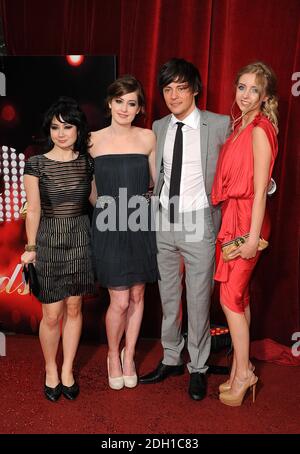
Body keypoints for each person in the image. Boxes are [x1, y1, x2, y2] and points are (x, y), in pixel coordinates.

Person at [139, 58, 231, 401]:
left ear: (195, 89)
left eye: (181, 87)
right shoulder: (159, 126)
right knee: (169, 298)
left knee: (197, 299)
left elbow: (241, 162)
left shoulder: (219, 125)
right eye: (167, 89)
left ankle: (199, 367)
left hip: (197, 220)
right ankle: (172, 358)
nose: (174, 95)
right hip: (165, 220)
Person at [211, 62, 278, 406]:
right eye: (242, 87)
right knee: (240, 298)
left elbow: (261, 188)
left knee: (229, 299)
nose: (246, 95)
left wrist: (252, 238)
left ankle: (244, 374)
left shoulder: (259, 130)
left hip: (248, 221)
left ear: (265, 96)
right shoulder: (240, 126)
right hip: (233, 217)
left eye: (254, 89)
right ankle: (240, 367)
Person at [21, 97, 95, 402]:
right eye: (55, 127)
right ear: (48, 130)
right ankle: (51, 369)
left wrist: (134, 210)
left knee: (75, 309)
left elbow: (97, 201)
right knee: (51, 314)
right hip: (49, 240)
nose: (61, 133)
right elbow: (34, 210)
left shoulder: (87, 162)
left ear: (78, 129)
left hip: (80, 238)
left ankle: (67, 369)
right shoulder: (35, 165)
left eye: (68, 126)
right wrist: (31, 247)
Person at [90, 75, 159, 390]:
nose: (125, 108)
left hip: (140, 224)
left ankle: (130, 355)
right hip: (109, 225)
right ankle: (113, 355)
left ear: (139, 108)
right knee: (118, 300)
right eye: (120, 101)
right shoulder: (91, 140)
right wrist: (110, 210)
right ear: (110, 103)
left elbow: (156, 184)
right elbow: (89, 191)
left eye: (132, 103)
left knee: (137, 294)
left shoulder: (147, 138)